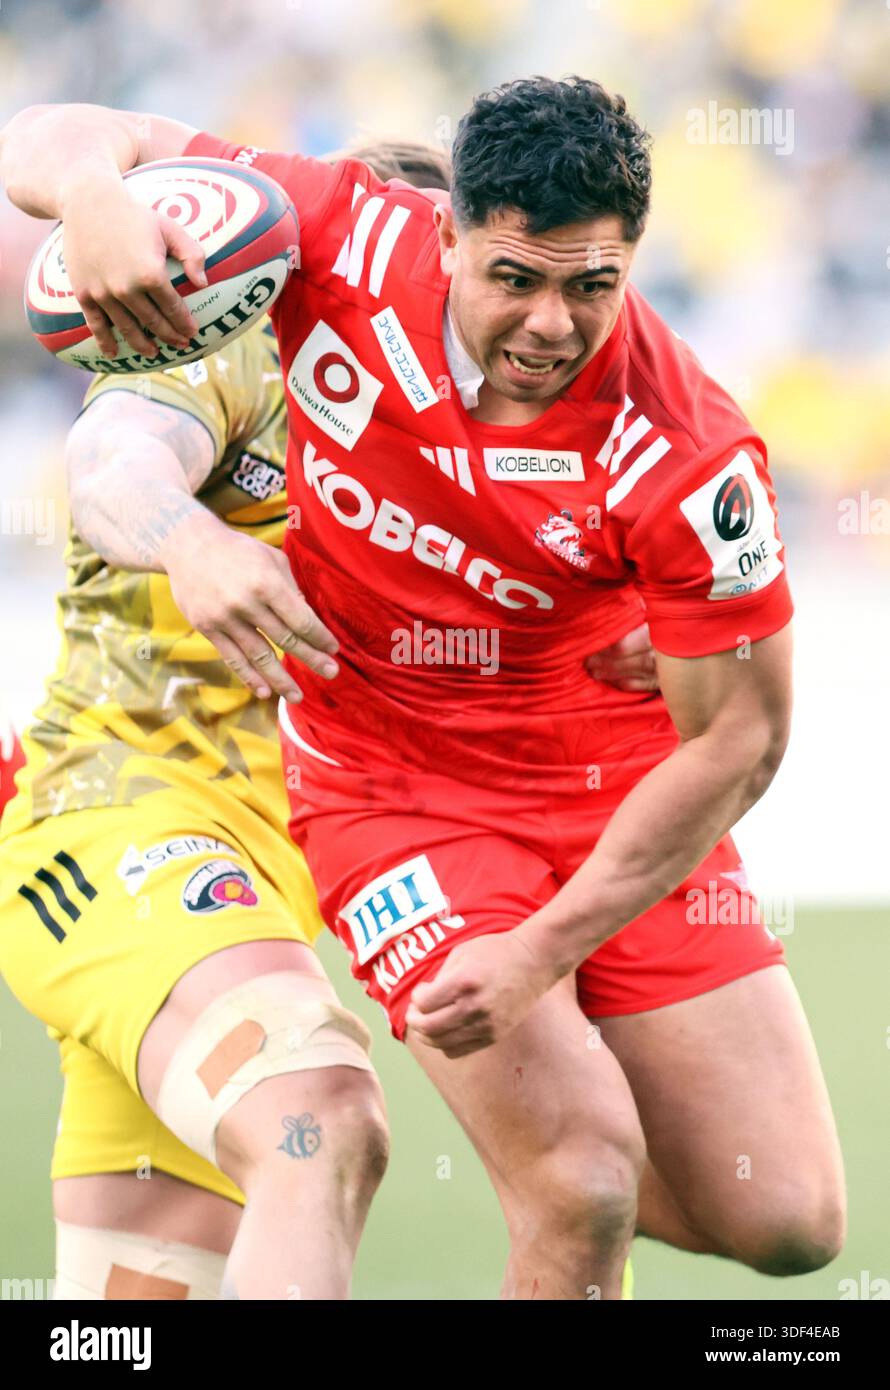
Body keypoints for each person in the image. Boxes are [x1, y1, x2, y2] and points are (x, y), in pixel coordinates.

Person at [0, 77, 845, 1300]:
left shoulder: (687, 452)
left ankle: (533, 1118)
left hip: (548, 796)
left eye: (588, 287)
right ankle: (541, 1133)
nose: (550, 324)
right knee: (474, 1157)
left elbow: (742, 734)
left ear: (633, 263)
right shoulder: (267, 306)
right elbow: (107, 456)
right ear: (436, 240)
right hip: (258, 805)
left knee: (787, 1220)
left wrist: (540, 943)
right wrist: (90, 197)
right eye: (512, 280)